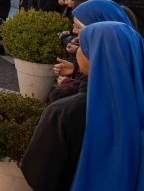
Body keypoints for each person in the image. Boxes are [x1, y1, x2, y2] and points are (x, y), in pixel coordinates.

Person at [21, 21, 144, 190]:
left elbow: (38, 173)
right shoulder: (136, 103)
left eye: (83, 47)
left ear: (97, 55)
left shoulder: (64, 112)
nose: (78, 51)